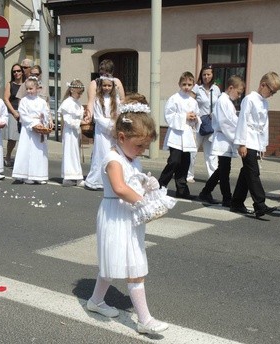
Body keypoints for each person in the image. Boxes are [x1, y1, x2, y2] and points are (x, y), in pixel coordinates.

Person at [86, 101, 169, 335]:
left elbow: (132, 180)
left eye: (145, 145)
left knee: (111, 265)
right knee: (134, 266)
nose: (142, 150)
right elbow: (120, 187)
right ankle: (144, 320)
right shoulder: (113, 159)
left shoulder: (130, 157)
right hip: (116, 215)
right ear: (121, 137)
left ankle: (95, 301)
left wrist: (146, 183)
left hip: (126, 214)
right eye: (139, 145)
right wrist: (144, 202)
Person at [230, 72, 280, 218]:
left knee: (247, 172)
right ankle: (260, 204)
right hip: (247, 139)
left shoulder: (265, 103)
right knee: (253, 173)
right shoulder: (249, 99)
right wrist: (241, 143)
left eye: (274, 93)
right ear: (263, 85)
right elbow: (243, 120)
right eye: (271, 91)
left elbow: (265, 125)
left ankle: (237, 202)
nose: (271, 94)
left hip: (256, 141)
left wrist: (263, 146)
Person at [199, 75, 245, 207]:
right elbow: (225, 123)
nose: (239, 96)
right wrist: (237, 138)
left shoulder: (227, 102)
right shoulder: (223, 101)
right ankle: (227, 198)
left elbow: (232, 121)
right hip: (223, 139)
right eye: (238, 92)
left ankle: (206, 191)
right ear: (231, 88)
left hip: (226, 139)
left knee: (222, 170)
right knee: (224, 171)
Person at [158, 71, 200, 200]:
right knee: (174, 161)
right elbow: (169, 116)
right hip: (176, 135)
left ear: (193, 85)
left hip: (187, 135)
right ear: (179, 84)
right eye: (184, 84)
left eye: (189, 84)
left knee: (185, 163)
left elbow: (197, 116)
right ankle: (160, 185)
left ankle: (182, 189)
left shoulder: (193, 101)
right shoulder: (174, 98)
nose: (187, 87)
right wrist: (184, 116)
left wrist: (195, 118)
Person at [11, 76, 52, 184]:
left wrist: (44, 120)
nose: (29, 91)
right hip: (28, 129)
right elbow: (23, 115)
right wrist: (33, 124)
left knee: (38, 152)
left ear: (37, 88)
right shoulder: (24, 101)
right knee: (27, 151)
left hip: (39, 129)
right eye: (27, 89)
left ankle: (39, 175)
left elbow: (46, 113)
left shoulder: (42, 102)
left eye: (31, 89)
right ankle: (27, 174)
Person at [84, 75, 120, 190]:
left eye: (109, 85)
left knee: (113, 155)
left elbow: (119, 113)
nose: (107, 88)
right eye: (104, 85)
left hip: (113, 132)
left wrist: (116, 126)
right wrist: (110, 126)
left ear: (113, 86)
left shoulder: (116, 100)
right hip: (102, 131)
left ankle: (111, 180)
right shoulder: (98, 100)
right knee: (102, 155)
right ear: (101, 86)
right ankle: (96, 181)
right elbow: (98, 117)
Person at [188, 64, 221, 182]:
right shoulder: (197, 88)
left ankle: (213, 177)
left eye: (208, 74)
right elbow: (189, 102)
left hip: (211, 124)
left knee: (211, 152)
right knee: (192, 150)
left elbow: (220, 105)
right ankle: (189, 175)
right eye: (204, 74)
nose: (206, 77)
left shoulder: (216, 89)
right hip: (198, 123)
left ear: (212, 75)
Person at [58, 79, 86, 187]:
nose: (80, 95)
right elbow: (68, 120)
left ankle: (75, 176)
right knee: (70, 153)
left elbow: (79, 115)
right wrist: (79, 122)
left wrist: (85, 118)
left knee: (75, 154)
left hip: (75, 132)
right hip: (69, 132)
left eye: (81, 93)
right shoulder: (67, 103)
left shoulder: (77, 103)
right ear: (72, 90)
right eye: (78, 93)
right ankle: (70, 177)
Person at [3, 63, 24, 166]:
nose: (16, 73)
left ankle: (21, 158)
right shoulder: (10, 84)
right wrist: (14, 112)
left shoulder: (26, 84)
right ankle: (8, 156)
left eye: (18, 71)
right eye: (14, 71)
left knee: (23, 138)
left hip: (24, 113)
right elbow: (6, 99)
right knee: (12, 138)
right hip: (13, 112)